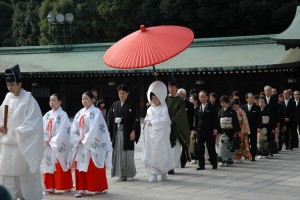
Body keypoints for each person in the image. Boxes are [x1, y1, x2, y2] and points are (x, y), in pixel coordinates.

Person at [0, 64, 44, 200]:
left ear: (20, 84)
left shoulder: (29, 100)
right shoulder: (7, 97)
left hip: (21, 146)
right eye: (8, 85)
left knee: (24, 181)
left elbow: (35, 123)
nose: (10, 87)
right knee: (6, 178)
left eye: (12, 84)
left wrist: (18, 131)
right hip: (7, 146)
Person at [69, 91, 112, 197]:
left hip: (91, 144)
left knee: (92, 166)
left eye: (86, 99)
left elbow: (95, 129)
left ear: (92, 100)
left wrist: (85, 139)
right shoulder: (80, 113)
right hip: (80, 144)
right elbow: (74, 128)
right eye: (82, 99)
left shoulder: (96, 112)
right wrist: (77, 138)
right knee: (80, 166)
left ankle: (95, 187)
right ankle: (81, 188)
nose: (84, 101)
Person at [142, 81, 174, 183]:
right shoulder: (149, 109)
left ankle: (164, 173)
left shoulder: (164, 108)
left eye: (156, 98)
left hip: (160, 137)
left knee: (162, 153)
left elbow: (166, 121)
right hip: (150, 137)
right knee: (151, 154)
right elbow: (147, 119)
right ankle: (153, 174)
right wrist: (147, 121)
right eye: (153, 98)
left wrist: (154, 122)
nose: (155, 100)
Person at [107, 84, 141, 181]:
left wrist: (133, 131)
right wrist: (109, 131)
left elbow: (136, 119)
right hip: (117, 132)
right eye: (120, 93)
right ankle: (120, 173)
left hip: (127, 133)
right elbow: (109, 119)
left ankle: (128, 173)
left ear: (127, 94)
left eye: (123, 93)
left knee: (126, 153)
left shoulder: (132, 105)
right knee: (117, 152)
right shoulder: (114, 105)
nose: (121, 95)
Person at [41, 93, 73, 195]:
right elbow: (41, 128)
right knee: (48, 164)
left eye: (54, 100)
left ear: (60, 102)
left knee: (60, 164)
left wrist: (53, 140)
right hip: (48, 145)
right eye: (50, 100)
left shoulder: (63, 115)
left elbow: (63, 131)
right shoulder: (47, 115)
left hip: (57, 144)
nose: (51, 102)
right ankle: (49, 186)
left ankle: (63, 185)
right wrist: (46, 138)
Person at [165, 76, 190, 174]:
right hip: (166, 126)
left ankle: (172, 166)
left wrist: (173, 120)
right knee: (166, 147)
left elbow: (181, 113)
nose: (170, 89)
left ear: (176, 87)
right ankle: (167, 166)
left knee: (174, 148)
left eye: (172, 87)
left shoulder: (180, 100)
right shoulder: (164, 98)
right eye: (169, 87)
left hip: (175, 127)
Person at [194, 90, 218, 170]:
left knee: (211, 148)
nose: (202, 98)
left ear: (207, 97)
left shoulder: (212, 107)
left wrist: (215, 129)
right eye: (200, 97)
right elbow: (196, 120)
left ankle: (214, 163)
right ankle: (201, 165)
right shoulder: (198, 108)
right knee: (200, 148)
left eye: (204, 97)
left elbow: (215, 119)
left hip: (209, 130)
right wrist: (195, 130)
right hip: (200, 131)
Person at [217, 95, 240, 167]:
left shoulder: (232, 111)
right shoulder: (220, 111)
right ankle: (223, 160)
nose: (222, 104)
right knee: (222, 145)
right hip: (223, 130)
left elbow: (235, 121)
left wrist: (236, 131)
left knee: (229, 146)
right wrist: (218, 130)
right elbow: (218, 121)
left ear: (227, 102)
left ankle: (228, 160)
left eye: (224, 102)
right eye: (221, 103)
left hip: (230, 130)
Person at [241, 92, 262, 161]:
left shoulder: (257, 107)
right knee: (245, 142)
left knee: (253, 142)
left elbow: (259, 118)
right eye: (250, 98)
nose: (252, 99)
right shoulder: (243, 107)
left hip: (253, 128)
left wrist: (259, 127)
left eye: (253, 98)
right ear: (247, 99)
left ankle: (253, 155)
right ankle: (246, 155)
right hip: (245, 129)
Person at [231, 99, 252, 163]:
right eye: (233, 106)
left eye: (235, 106)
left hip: (241, 130)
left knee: (240, 144)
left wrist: (245, 130)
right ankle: (236, 156)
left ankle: (238, 157)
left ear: (238, 105)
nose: (234, 107)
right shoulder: (232, 111)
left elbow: (245, 122)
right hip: (234, 129)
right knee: (235, 144)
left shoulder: (241, 112)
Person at [177, 88, 194, 167]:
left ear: (184, 95)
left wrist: (189, 128)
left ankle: (182, 162)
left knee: (184, 145)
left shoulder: (190, 105)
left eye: (181, 95)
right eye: (179, 94)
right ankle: (175, 161)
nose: (180, 96)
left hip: (185, 128)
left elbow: (191, 118)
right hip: (175, 128)